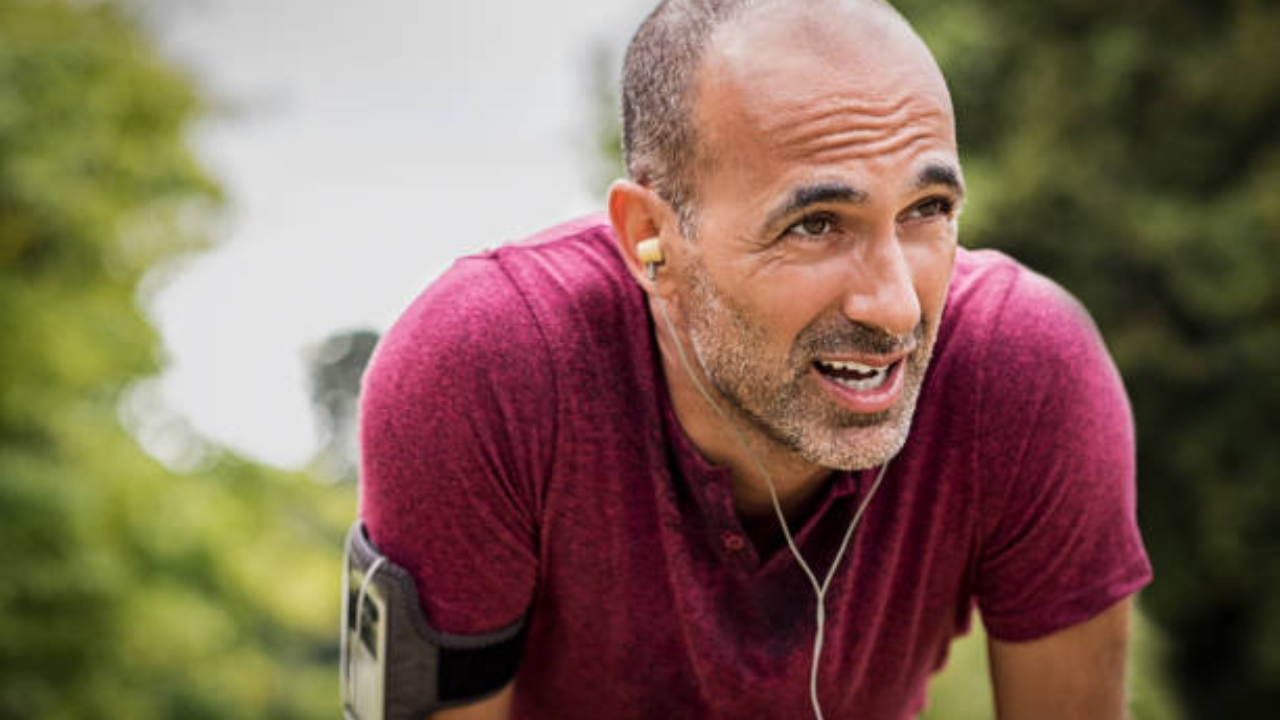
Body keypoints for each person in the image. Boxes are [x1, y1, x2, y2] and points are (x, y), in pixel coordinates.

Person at [356, 0, 1152, 718]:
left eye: (927, 211)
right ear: (649, 239)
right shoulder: (484, 370)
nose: (898, 307)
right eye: (815, 225)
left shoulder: (1028, 372)